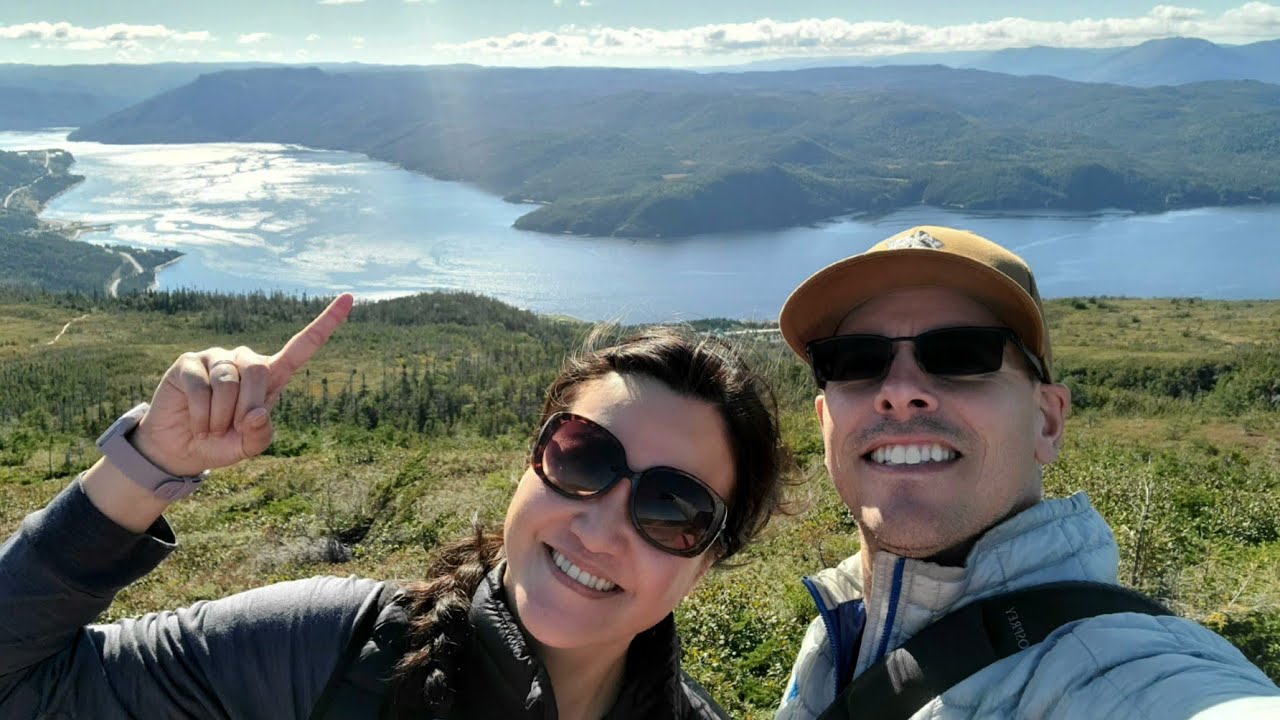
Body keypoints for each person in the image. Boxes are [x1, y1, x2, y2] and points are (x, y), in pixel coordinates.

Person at [0, 293, 788, 719]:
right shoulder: (325, 652)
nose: (600, 525)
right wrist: (149, 463)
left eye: (673, 509)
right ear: (531, 462)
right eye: (582, 456)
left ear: (708, 561)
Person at [773, 226, 1280, 719]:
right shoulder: (837, 629)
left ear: (1048, 422)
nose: (900, 390)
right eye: (854, 360)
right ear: (824, 423)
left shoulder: (1118, 671)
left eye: (962, 355)